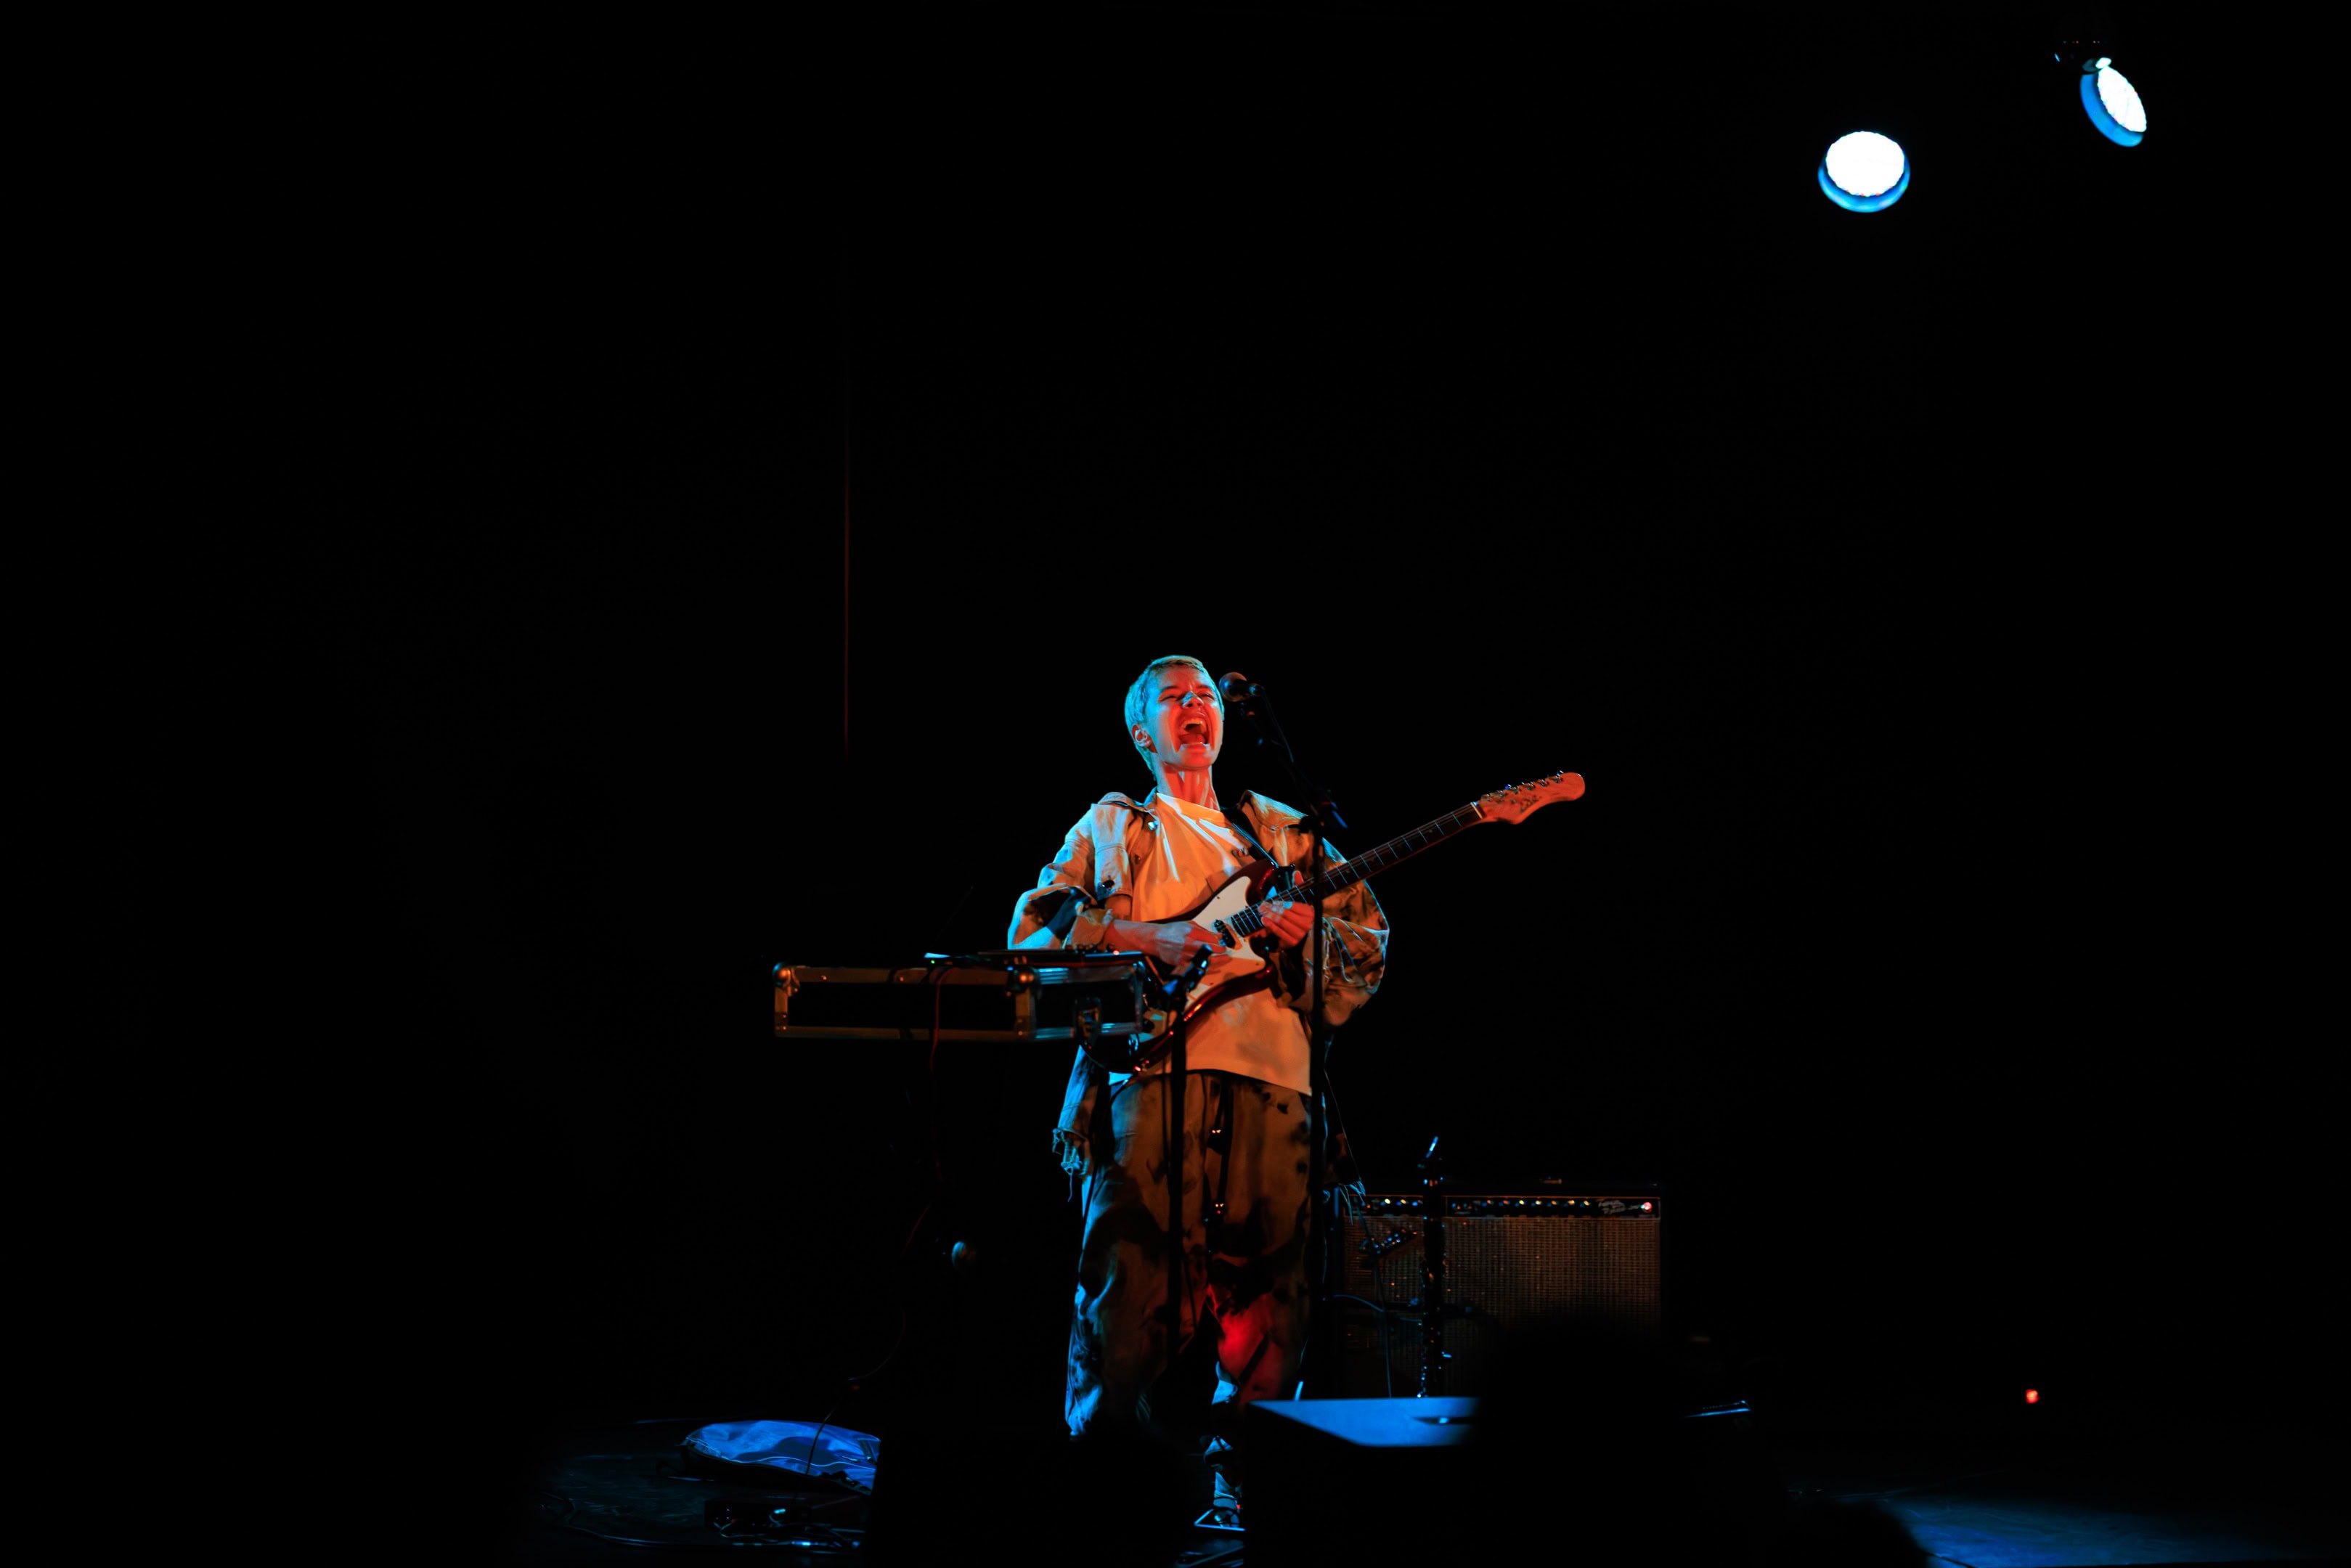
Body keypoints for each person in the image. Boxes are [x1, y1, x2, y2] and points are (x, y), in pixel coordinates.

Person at [1007, 654, 1388, 1525]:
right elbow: (1035, 926)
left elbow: (1366, 945)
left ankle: (1244, 1490)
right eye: (1175, 697)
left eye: (1207, 697)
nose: (1197, 707)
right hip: (1151, 1080)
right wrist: (1150, 936)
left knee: (1272, 1298)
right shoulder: (1116, 825)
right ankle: (1099, 1488)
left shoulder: (1286, 833)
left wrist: (1306, 933)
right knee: (1130, 1285)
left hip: (1277, 1083)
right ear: (1142, 730)